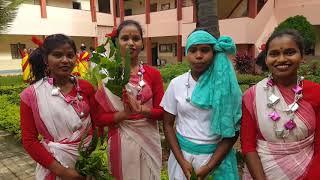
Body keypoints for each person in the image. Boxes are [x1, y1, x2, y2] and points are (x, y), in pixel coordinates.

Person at [161, 29, 242, 180]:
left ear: (214, 52)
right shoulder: (176, 84)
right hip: (182, 159)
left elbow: (233, 130)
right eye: (193, 50)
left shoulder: (226, 86)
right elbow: (167, 124)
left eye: (205, 50)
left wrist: (210, 166)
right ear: (186, 54)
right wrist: (182, 162)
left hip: (216, 159)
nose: (198, 55)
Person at [241, 29, 320, 179]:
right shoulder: (252, 95)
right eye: (274, 54)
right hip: (262, 173)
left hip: (309, 172)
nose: (281, 59)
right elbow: (248, 145)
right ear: (266, 59)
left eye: (290, 52)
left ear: (302, 56)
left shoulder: (316, 93)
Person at [93, 20, 164, 180]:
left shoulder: (153, 74)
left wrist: (142, 110)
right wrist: (124, 114)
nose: (131, 43)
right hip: (121, 140)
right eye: (125, 38)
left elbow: (162, 113)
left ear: (142, 43)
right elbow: (99, 118)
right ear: (116, 43)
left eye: (136, 38)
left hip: (149, 140)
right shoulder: (106, 76)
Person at [20, 34, 97, 179]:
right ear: (45, 59)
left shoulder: (86, 88)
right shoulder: (31, 95)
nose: (65, 60)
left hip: (88, 165)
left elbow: (97, 124)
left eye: (70, 55)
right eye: (57, 55)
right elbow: (29, 140)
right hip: (54, 168)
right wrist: (62, 171)